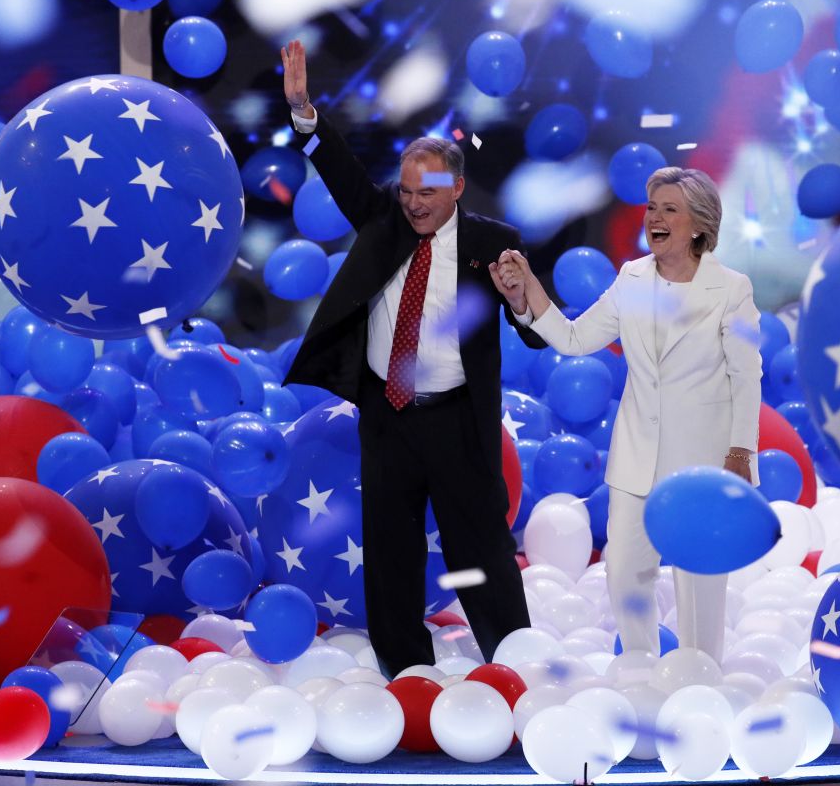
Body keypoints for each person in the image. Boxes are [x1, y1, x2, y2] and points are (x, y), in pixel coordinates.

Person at [279, 40, 544, 678]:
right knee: (391, 548)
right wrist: (303, 113)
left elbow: (535, 332)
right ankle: (404, 672)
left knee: (480, 545)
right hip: (386, 415)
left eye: (428, 193)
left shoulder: (493, 243)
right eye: (407, 193)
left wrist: (522, 300)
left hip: (457, 419)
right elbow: (340, 170)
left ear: (456, 185)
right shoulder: (384, 221)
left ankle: (514, 665)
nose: (416, 204)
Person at [490, 167, 762, 661]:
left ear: (699, 225)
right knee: (627, 573)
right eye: (651, 207)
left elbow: (746, 374)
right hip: (636, 457)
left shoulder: (731, 289)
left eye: (669, 209)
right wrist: (526, 292)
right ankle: (641, 669)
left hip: (702, 464)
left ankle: (702, 680)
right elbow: (576, 339)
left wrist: (741, 451)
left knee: (700, 581)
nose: (654, 218)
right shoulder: (631, 277)